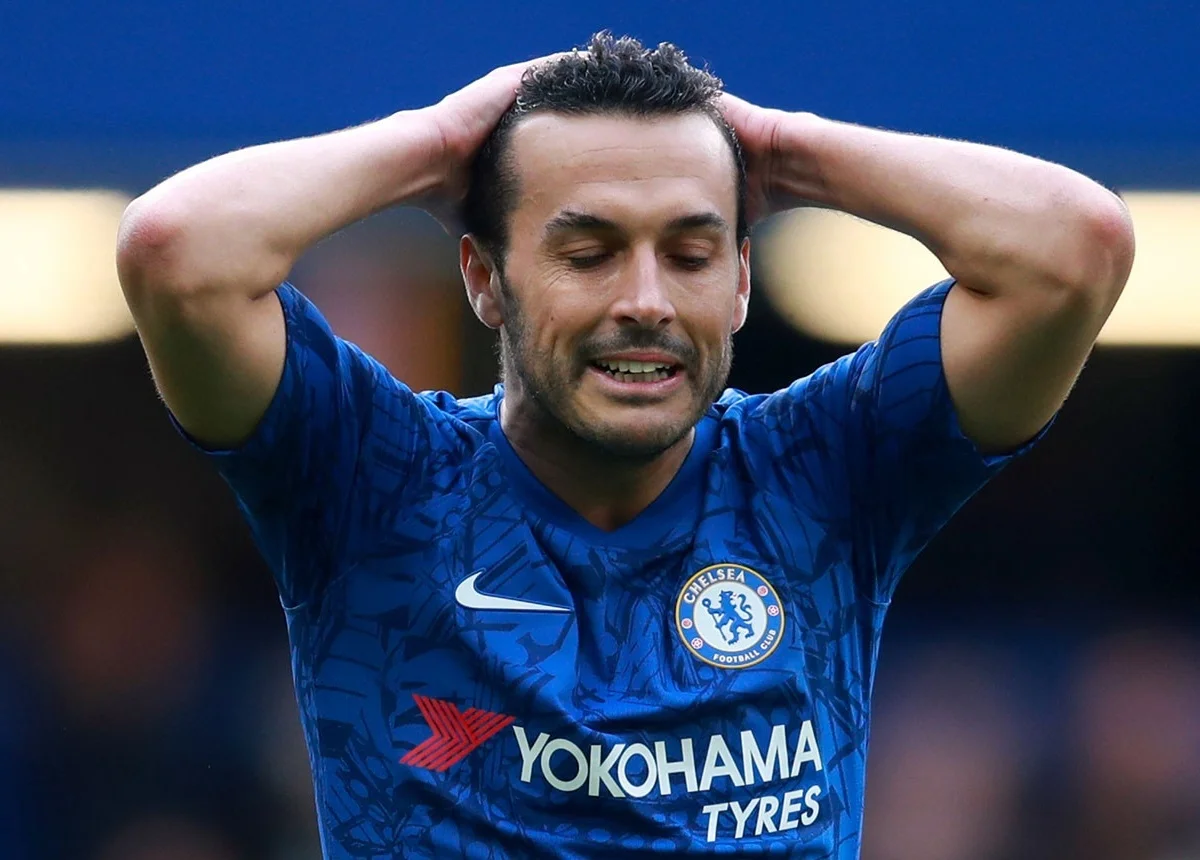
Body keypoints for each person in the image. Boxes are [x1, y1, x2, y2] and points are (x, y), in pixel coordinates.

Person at [116, 32, 1134, 860]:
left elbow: (1073, 248)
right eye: (589, 251)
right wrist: (436, 142)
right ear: (484, 278)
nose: (646, 300)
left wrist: (785, 150)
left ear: (741, 281)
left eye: (690, 253)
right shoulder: (373, 475)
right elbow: (177, 252)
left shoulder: (825, 469)